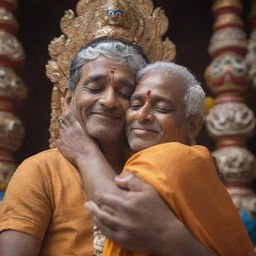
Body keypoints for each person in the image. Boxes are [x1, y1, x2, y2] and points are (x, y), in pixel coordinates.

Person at [0, 39, 215, 256]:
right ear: (68, 99)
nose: (109, 101)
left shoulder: (152, 170)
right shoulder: (41, 171)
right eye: (95, 88)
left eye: (124, 93)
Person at [58, 62, 255, 256]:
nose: (142, 115)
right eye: (135, 105)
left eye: (161, 108)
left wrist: (85, 152)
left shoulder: (175, 156)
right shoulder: (194, 163)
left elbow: (115, 210)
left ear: (193, 125)